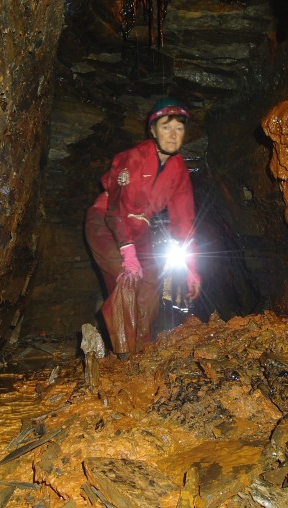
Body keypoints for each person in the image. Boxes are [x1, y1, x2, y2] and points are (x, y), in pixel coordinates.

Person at [85, 98, 201, 358]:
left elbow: (183, 221)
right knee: (124, 277)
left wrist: (192, 269)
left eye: (179, 128)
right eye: (166, 127)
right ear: (153, 131)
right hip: (105, 221)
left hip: (140, 230)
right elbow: (115, 209)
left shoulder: (179, 170)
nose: (173, 134)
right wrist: (127, 254)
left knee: (150, 285)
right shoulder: (132, 158)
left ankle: (141, 352)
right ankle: (126, 355)